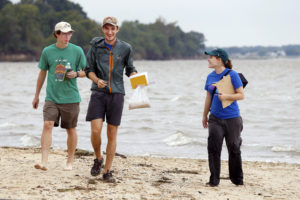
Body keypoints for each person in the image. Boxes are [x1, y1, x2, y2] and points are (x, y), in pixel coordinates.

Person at [85, 16, 137, 182]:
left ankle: (107, 171)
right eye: (106, 28)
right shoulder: (95, 46)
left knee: (112, 134)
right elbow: (88, 70)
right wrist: (96, 80)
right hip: (98, 93)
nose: (109, 31)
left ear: (117, 30)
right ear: (103, 29)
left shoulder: (125, 48)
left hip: (117, 94)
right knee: (95, 130)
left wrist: (136, 76)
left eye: (112, 28)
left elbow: (130, 69)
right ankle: (98, 158)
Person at [32, 21, 86, 171]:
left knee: (70, 129)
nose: (67, 36)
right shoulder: (47, 51)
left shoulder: (77, 51)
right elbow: (42, 73)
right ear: (56, 34)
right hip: (52, 97)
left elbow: (87, 71)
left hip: (71, 98)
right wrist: (36, 95)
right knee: (47, 124)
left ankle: (69, 162)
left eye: (69, 33)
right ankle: (44, 161)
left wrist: (76, 74)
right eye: (63, 33)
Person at [202, 48, 245, 187]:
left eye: (211, 57)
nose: (208, 59)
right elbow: (208, 96)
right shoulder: (210, 77)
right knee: (213, 149)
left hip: (232, 118)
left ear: (219, 60)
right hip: (215, 118)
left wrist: (226, 97)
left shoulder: (232, 75)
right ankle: (214, 180)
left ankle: (237, 180)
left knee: (234, 149)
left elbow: (241, 95)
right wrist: (204, 115)